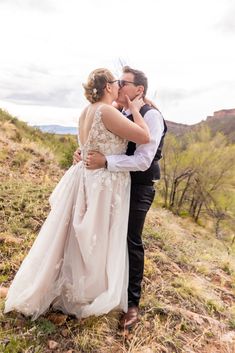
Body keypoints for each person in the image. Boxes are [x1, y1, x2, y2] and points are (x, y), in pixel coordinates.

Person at [4, 68, 150, 320]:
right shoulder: (106, 111)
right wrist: (137, 108)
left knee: (73, 235)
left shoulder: (86, 111)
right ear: (107, 87)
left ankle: (63, 284)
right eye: (117, 83)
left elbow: (86, 145)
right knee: (94, 237)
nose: (119, 87)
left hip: (85, 178)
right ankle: (84, 290)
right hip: (102, 183)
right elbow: (144, 136)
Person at [74, 66, 167, 328]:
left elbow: (143, 159)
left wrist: (106, 162)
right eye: (118, 82)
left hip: (138, 186)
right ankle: (103, 287)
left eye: (124, 83)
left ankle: (132, 305)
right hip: (114, 186)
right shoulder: (115, 111)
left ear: (139, 90)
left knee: (130, 239)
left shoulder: (151, 116)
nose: (119, 87)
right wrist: (84, 154)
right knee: (107, 236)